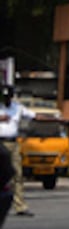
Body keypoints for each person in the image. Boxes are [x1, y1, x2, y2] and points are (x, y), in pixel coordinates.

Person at [1, 85, 36, 217]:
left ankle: (20, 206)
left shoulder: (18, 108)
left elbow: (34, 115)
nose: (6, 100)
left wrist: (55, 117)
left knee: (17, 175)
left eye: (8, 97)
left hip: (13, 143)